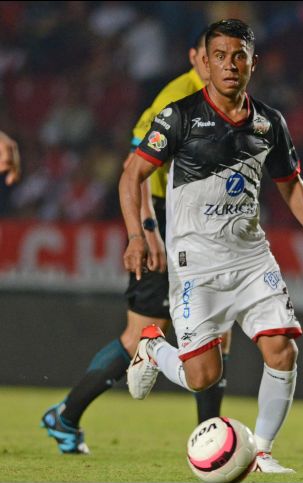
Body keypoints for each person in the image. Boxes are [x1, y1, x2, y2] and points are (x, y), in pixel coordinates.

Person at [120, 19, 303, 474]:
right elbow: (132, 174)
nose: (229, 65)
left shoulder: (269, 123)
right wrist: (138, 234)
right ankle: (153, 347)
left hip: (250, 257)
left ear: (252, 63)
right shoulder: (179, 116)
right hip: (195, 265)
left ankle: (260, 450)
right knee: (202, 376)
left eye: (238, 56)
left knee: (282, 349)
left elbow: (291, 184)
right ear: (204, 62)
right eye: (220, 56)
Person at [41, 30, 232, 455]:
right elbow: (135, 165)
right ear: (194, 57)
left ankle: (211, 438)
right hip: (163, 217)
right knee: (142, 333)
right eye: (211, 56)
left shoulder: (229, 97)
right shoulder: (175, 98)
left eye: (226, 57)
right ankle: (66, 415)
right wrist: (147, 230)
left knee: (218, 328)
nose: (219, 65)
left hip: (203, 220)